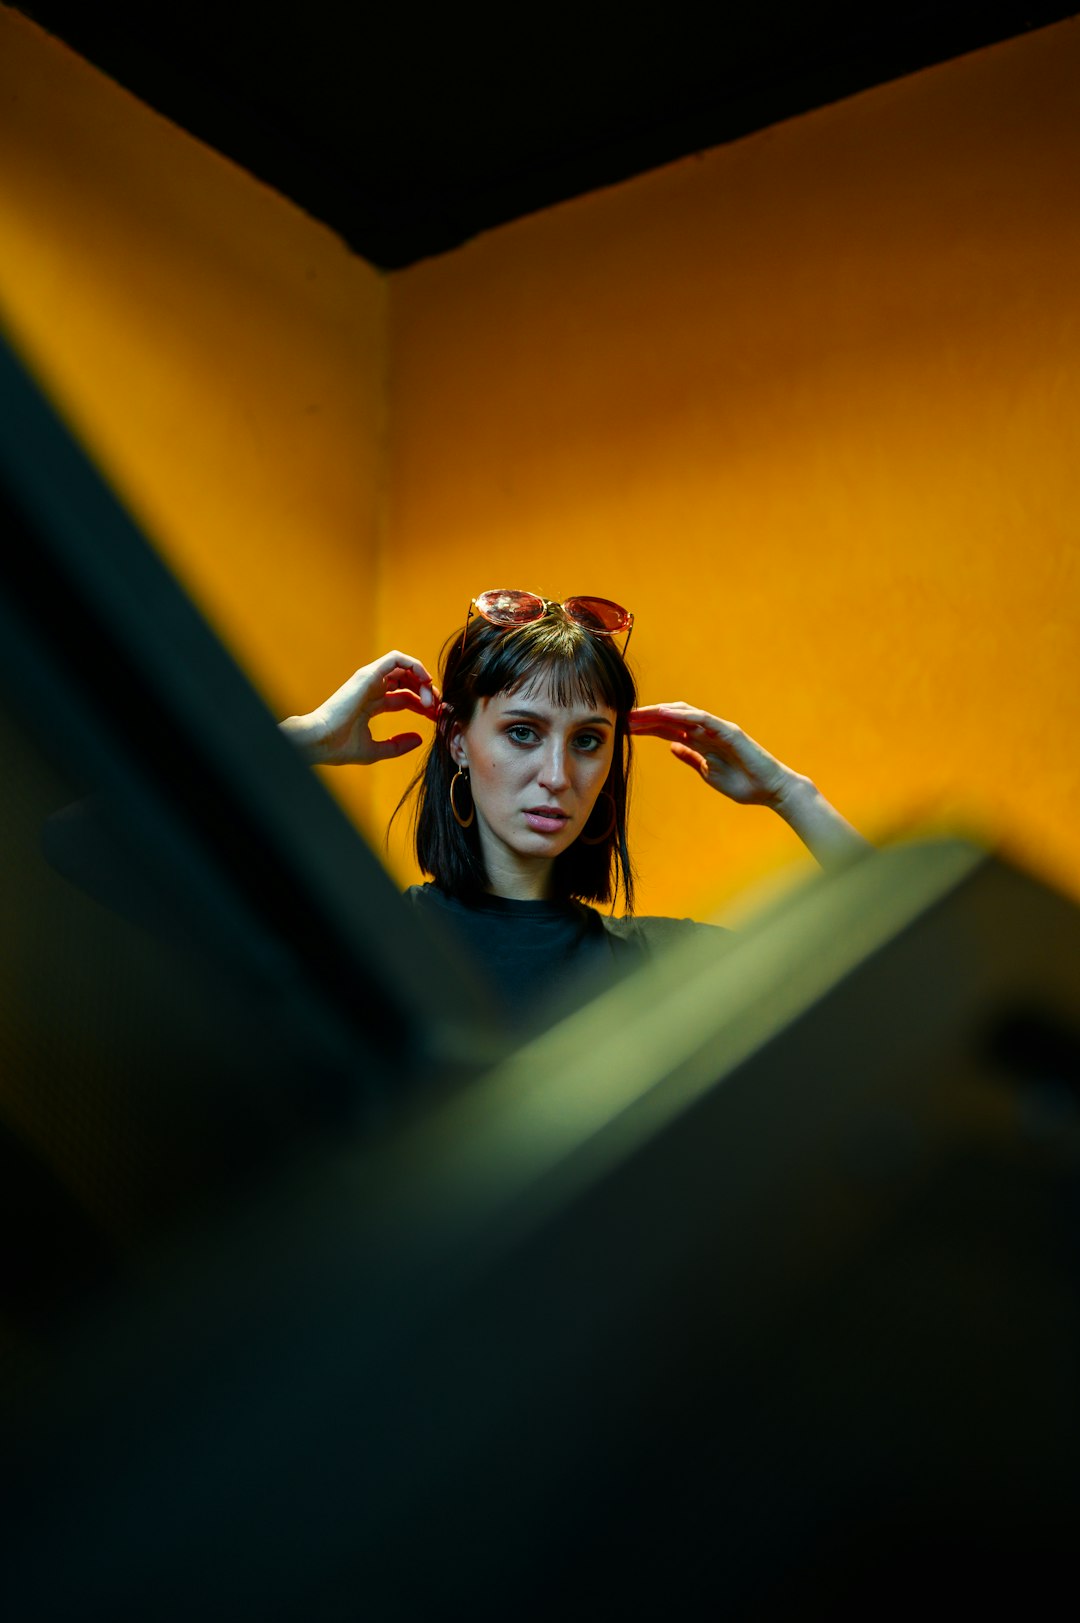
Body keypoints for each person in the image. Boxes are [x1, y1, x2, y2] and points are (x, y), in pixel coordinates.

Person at [280, 589, 869, 1027]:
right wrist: (296, 743)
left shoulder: (668, 967)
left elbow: (902, 975)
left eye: (587, 740)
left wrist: (794, 795)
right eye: (522, 733)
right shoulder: (368, 942)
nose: (559, 776)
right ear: (457, 739)